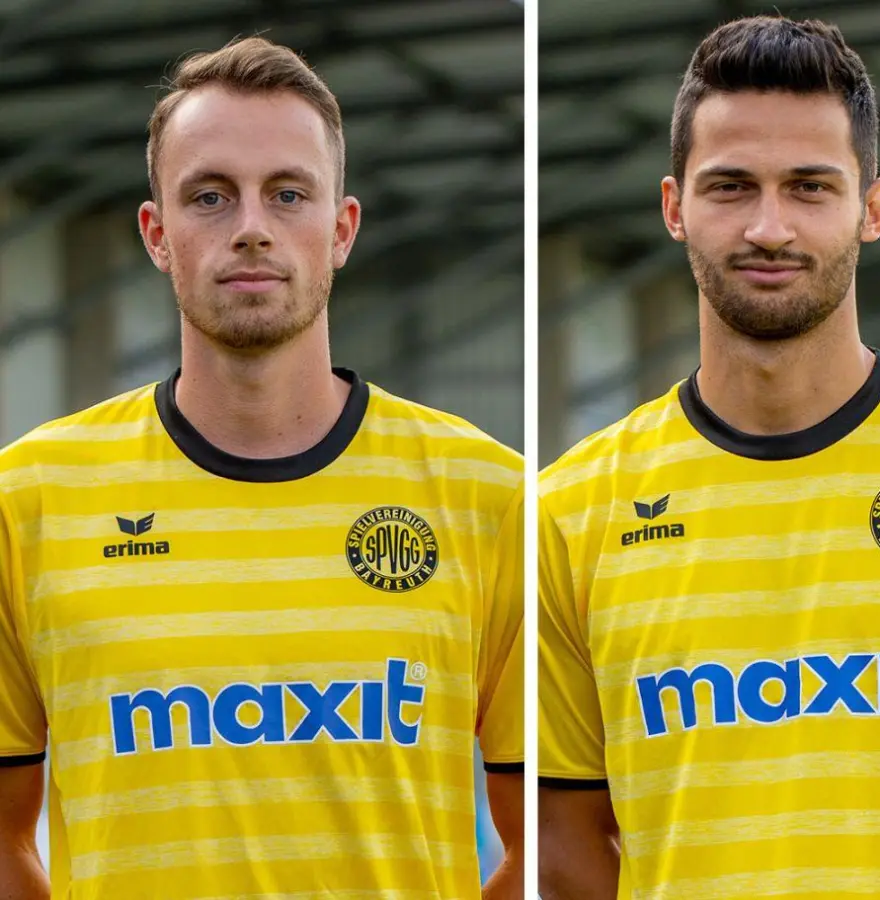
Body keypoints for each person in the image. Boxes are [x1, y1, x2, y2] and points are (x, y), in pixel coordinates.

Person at [537, 14, 880, 900]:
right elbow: (568, 845)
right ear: (675, 208)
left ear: (874, 207)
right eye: (731, 187)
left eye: (811, 187)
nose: (769, 227)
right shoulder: (571, 509)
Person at [0, 38, 524, 898]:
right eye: (210, 196)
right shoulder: (30, 501)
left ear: (341, 229)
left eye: (288, 194)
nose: (251, 226)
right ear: (157, 234)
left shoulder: (484, 493)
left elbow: (551, 843)